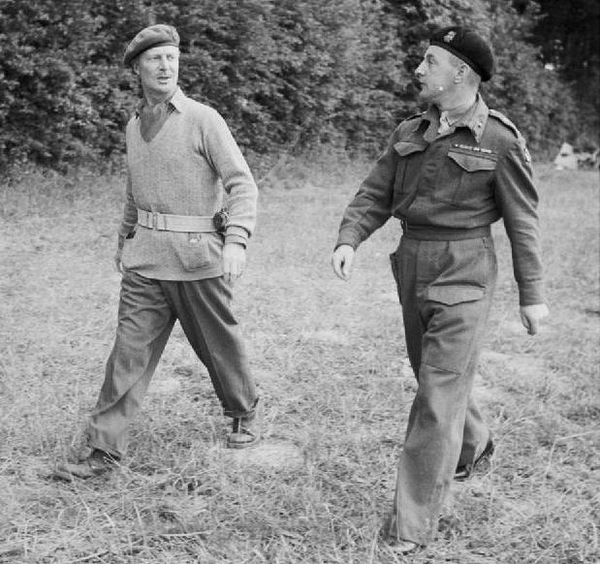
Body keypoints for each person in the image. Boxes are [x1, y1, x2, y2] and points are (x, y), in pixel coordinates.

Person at [331, 26, 549, 553]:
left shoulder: (498, 138)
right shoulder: (412, 129)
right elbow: (375, 191)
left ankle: (410, 526)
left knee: (435, 396)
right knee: (435, 376)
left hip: (466, 269)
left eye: (429, 61)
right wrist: (349, 237)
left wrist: (532, 293)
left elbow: (523, 221)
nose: (418, 69)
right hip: (412, 264)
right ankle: (474, 443)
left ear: (461, 73)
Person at [56, 24, 260, 480]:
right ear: (137, 68)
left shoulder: (204, 119)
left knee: (219, 346)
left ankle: (243, 411)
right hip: (145, 260)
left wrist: (237, 240)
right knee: (127, 354)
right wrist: (124, 237)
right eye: (155, 59)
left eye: (172, 57)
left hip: (198, 261)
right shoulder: (133, 124)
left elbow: (241, 183)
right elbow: (135, 190)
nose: (166, 66)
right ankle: (104, 450)